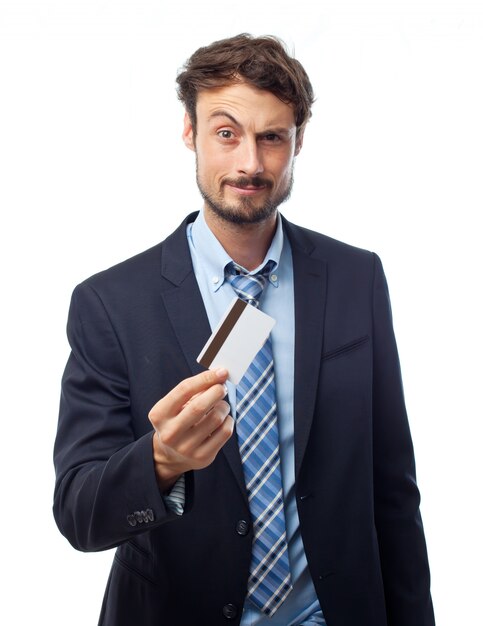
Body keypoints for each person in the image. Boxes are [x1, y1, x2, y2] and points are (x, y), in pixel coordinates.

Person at [53, 33, 435, 626]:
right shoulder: (110, 303)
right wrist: (161, 460)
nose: (250, 163)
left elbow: (393, 487)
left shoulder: (357, 278)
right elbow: (78, 511)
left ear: (298, 141)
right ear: (190, 131)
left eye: (272, 137)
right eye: (226, 133)